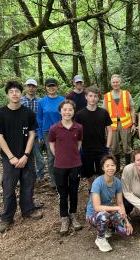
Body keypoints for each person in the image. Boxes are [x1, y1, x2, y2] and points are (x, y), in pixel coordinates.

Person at [0, 81, 43, 233]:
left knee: (28, 184)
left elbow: (32, 134)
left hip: (26, 157)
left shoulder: (27, 113)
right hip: (10, 158)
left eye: (17, 91)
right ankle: (7, 217)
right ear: (7, 95)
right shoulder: (0, 114)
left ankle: (28, 210)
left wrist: (26, 155)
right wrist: (11, 157)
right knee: (8, 188)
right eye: (11, 91)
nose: (14, 93)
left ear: (21, 94)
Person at [49, 100, 83, 235]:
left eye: (70, 109)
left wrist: (73, 155)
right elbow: (51, 144)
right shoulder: (54, 128)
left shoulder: (78, 127)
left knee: (74, 191)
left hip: (75, 164)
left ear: (73, 111)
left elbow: (79, 143)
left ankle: (73, 214)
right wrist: (59, 156)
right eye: (65, 109)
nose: (67, 112)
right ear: (60, 111)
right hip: (59, 166)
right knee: (63, 193)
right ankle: (64, 217)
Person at [86, 155, 133, 252]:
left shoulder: (117, 182)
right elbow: (97, 207)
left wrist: (127, 222)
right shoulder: (97, 182)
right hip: (93, 215)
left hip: (107, 211)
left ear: (116, 166)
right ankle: (100, 238)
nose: (110, 168)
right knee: (103, 215)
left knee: (125, 232)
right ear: (103, 168)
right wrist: (116, 208)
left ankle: (107, 228)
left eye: (112, 165)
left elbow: (120, 203)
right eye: (107, 166)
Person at [75, 86, 112, 189]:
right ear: (86, 97)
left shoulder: (103, 112)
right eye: (90, 96)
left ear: (98, 98)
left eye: (95, 96)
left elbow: (110, 130)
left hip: (101, 149)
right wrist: (79, 149)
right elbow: (76, 133)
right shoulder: (79, 114)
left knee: (102, 173)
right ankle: (91, 192)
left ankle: (101, 192)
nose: (93, 98)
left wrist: (107, 147)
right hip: (86, 150)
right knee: (89, 174)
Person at [103, 74, 136, 171]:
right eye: (113, 82)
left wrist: (134, 123)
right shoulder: (107, 96)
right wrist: (105, 127)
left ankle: (128, 168)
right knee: (114, 147)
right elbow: (104, 113)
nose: (115, 84)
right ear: (111, 83)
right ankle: (116, 169)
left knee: (127, 146)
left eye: (117, 82)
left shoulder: (126, 94)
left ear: (120, 82)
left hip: (125, 124)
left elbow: (132, 109)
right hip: (112, 125)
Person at [37, 78, 65, 188]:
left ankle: (62, 178)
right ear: (45, 88)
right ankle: (53, 181)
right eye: (49, 86)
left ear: (57, 87)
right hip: (47, 132)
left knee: (63, 154)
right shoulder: (42, 102)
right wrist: (39, 134)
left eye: (53, 86)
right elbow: (39, 119)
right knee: (51, 156)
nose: (51, 88)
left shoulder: (62, 100)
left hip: (61, 130)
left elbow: (67, 114)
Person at [20, 78, 44, 182]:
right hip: (22, 133)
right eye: (28, 86)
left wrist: (41, 133)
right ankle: (24, 176)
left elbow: (42, 118)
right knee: (22, 155)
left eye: (33, 86)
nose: (30, 88)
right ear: (25, 87)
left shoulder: (40, 101)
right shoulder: (20, 101)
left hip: (36, 133)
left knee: (38, 156)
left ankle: (40, 177)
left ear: (36, 88)